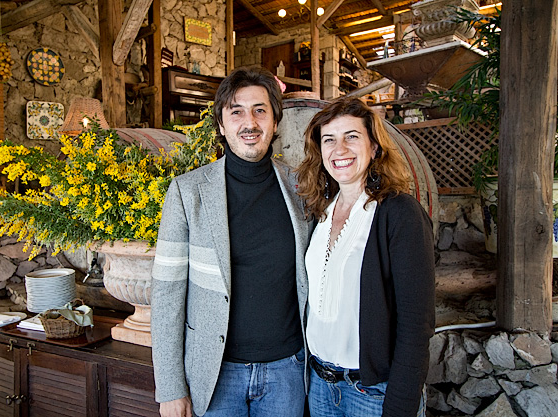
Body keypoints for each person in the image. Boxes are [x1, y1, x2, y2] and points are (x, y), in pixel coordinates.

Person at [151, 66, 310, 417]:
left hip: (287, 371)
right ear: (222, 126)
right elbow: (166, 295)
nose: (249, 122)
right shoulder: (187, 191)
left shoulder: (301, 188)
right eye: (236, 111)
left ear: (274, 121)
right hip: (216, 374)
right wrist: (170, 386)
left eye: (260, 110)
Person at [296, 97, 435, 417]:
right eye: (329, 139)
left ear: (374, 147)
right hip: (320, 386)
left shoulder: (400, 214)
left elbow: (417, 325)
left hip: (373, 393)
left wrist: (400, 407)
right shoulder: (321, 212)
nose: (339, 148)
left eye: (352, 136)